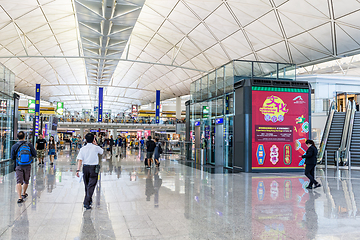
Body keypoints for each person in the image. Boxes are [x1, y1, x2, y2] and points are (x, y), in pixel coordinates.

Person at [76, 133, 103, 210]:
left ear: (85, 139)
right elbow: (102, 152)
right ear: (93, 139)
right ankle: (86, 202)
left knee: (87, 185)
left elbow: (80, 160)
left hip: (85, 168)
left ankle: (89, 200)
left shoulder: (82, 149)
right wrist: (96, 144)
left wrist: (78, 170)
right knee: (91, 185)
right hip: (94, 168)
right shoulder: (96, 148)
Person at [11, 131, 36, 203]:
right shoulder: (29, 145)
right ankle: (23, 193)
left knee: (19, 181)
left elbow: (12, 157)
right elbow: (34, 154)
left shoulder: (14, 146)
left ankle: (19, 198)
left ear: (17, 137)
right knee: (26, 181)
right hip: (27, 165)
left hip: (18, 165)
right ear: (24, 137)